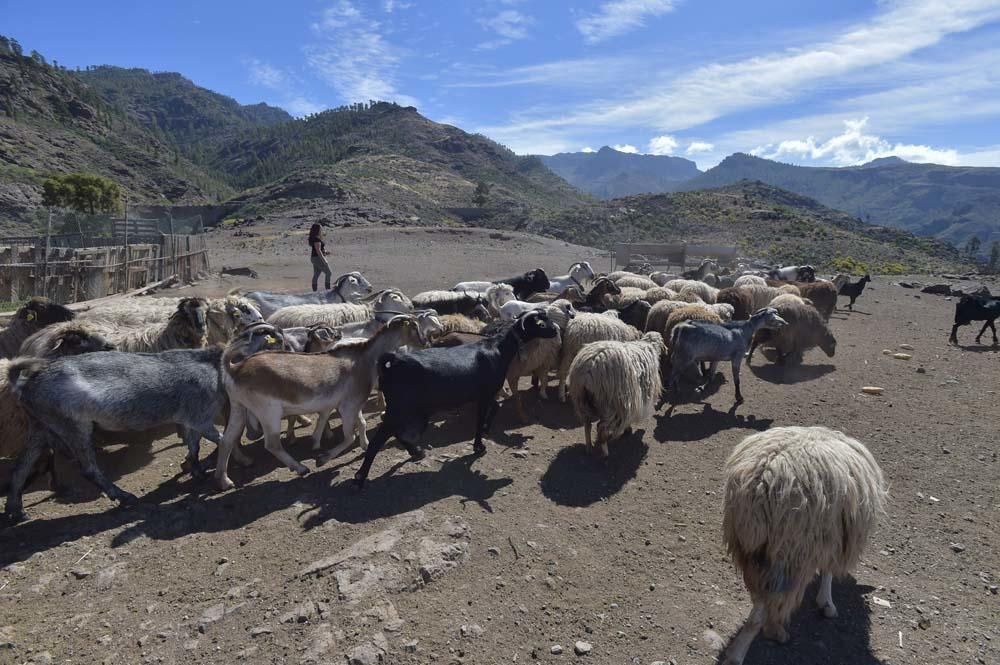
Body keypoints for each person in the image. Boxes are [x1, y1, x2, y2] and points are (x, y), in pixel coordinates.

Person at [308, 223, 332, 292]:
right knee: (329, 273)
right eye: (320, 228)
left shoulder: (316, 238)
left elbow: (319, 249)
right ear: (317, 230)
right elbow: (318, 250)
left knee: (316, 274)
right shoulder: (316, 239)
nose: (321, 230)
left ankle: (314, 292)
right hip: (317, 258)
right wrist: (325, 261)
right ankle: (328, 291)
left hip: (314, 258)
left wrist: (326, 252)